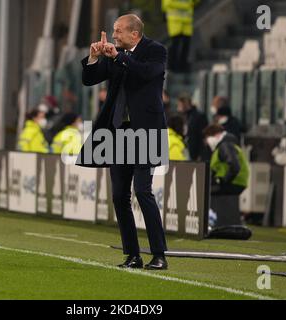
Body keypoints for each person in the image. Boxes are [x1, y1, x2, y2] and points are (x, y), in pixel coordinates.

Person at [77, 14, 169, 270]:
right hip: (117, 133)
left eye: (118, 31)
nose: (114, 35)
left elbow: (147, 74)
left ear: (134, 34)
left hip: (146, 132)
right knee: (119, 196)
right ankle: (133, 255)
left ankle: (159, 255)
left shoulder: (155, 51)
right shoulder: (116, 54)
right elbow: (89, 79)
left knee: (143, 191)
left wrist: (118, 56)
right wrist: (95, 57)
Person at [203, 124, 250, 196]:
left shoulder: (225, 146)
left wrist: (222, 180)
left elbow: (235, 166)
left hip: (232, 183)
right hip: (234, 182)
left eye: (207, 138)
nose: (207, 142)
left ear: (217, 135)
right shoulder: (224, 146)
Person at [162, 0, 199, 72]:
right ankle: (173, 67)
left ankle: (182, 66)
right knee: (176, 44)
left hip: (186, 21)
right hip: (175, 20)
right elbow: (167, 3)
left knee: (185, 44)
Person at [177, 93, 208, 161]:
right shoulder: (183, 117)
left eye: (179, 105)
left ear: (185, 104)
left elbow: (202, 136)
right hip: (185, 151)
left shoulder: (198, 116)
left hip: (195, 153)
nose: (178, 107)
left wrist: (200, 154)